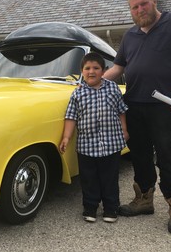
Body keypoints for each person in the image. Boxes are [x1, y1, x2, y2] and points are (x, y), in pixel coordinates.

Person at [103, 0, 171, 235]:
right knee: (139, 154)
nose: (139, 10)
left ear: (154, 2)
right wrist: (97, 81)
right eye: (134, 7)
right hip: (134, 103)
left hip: (164, 105)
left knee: (167, 155)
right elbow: (118, 68)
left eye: (143, 4)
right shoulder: (130, 36)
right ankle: (144, 200)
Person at [59, 52, 129, 223]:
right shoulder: (77, 94)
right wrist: (66, 137)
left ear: (104, 71)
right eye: (87, 68)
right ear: (82, 72)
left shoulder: (113, 88)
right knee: (89, 179)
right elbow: (71, 117)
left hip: (111, 144)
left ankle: (111, 208)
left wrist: (124, 130)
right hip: (86, 147)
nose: (92, 71)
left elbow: (121, 111)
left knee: (110, 178)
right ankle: (90, 207)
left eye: (96, 68)